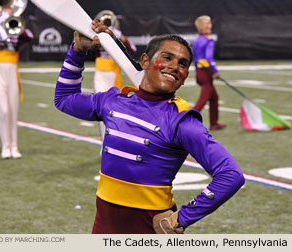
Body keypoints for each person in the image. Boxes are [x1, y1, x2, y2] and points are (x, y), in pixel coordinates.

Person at [55, 20, 245, 234]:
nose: (175, 66)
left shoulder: (181, 122)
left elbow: (231, 175)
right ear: (145, 61)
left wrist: (182, 218)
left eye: (183, 64)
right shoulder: (113, 101)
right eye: (167, 57)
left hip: (150, 229)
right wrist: (78, 51)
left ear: (184, 78)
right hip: (104, 226)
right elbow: (65, 99)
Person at [0, 7, 34, 158]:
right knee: (2, 109)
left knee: (12, 109)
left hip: (12, 70)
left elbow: (29, 36)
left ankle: (14, 146)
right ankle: (5, 146)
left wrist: (13, 20)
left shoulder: (15, 28)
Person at [93, 10, 137, 143]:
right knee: (113, 106)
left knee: (103, 107)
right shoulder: (116, 33)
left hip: (102, 69)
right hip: (112, 69)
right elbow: (133, 49)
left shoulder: (95, 34)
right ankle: (115, 137)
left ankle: (108, 139)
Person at [192, 15, 226, 130]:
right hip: (207, 73)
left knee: (214, 98)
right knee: (203, 100)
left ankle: (214, 123)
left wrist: (197, 74)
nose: (210, 25)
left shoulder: (196, 41)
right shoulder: (209, 40)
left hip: (201, 73)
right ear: (202, 27)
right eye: (208, 23)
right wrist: (215, 71)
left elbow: (195, 59)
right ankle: (186, 121)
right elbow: (209, 58)